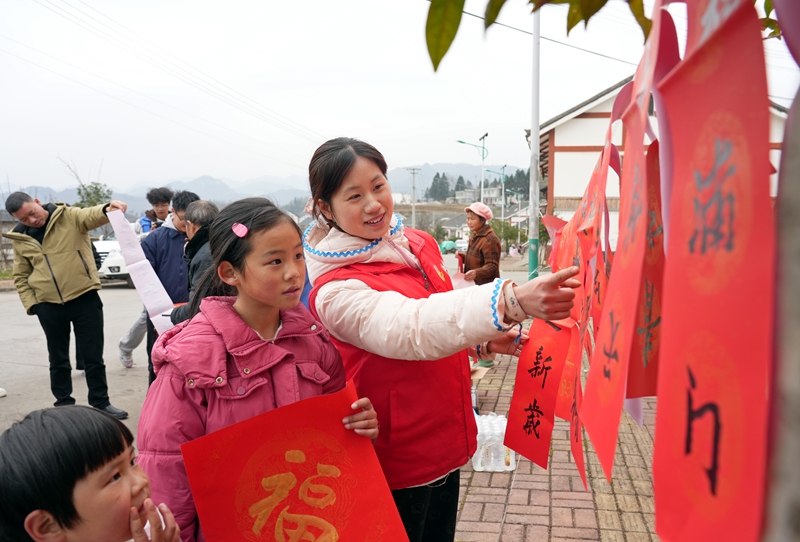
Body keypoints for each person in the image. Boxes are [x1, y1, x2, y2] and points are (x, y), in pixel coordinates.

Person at [303, 137, 580, 541]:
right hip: (398, 453)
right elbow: (411, 328)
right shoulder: (334, 290)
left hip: (448, 432)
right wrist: (511, 301)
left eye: (378, 186)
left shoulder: (417, 242)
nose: (374, 204)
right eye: (355, 196)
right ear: (325, 209)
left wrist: (481, 343)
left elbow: (444, 312)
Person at [136, 198, 379, 542]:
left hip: (308, 523)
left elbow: (335, 437)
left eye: (297, 255)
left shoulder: (314, 340)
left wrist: (358, 423)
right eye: (275, 261)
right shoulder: (191, 361)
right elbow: (165, 470)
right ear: (229, 272)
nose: (294, 272)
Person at [3, 192, 129, 420]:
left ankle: (101, 403)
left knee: (93, 356)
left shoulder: (69, 217)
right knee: (58, 359)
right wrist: (33, 305)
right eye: (23, 219)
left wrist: (107, 209)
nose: (31, 220)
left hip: (84, 298)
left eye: (31, 213)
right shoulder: (20, 238)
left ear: (38, 203)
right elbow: (21, 275)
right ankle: (64, 406)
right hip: (48, 306)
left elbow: (91, 215)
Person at [0, 405, 180, 542]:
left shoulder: (152, 532)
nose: (141, 481)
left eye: (132, 461)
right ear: (49, 526)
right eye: (114, 477)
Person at [140, 190, 200, 385]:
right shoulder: (154, 240)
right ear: (173, 211)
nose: (189, 224)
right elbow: (145, 280)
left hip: (196, 312)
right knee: (158, 361)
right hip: (162, 313)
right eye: (184, 218)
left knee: (194, 362)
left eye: (193, 219)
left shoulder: (203, 241)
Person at [120, 187, 175, 368]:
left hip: (169, 274)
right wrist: (149, 235)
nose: (161, 208)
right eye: (157, 205)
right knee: (148, 317)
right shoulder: (141, 223)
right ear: (152, 205)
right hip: (148, 276)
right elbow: (129, 246)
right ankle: (126, 345)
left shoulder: (174, 221)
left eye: (164, 205)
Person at [170, 200, 219, 325]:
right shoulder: (220, 244)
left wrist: (173, 314)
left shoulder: (205, 256)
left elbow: (197, 306)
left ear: (191, 226)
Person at [457, 202, 501, 285]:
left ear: (482, 220)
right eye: (468, 218)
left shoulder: (490, 240)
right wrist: (462, 257)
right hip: (473, 285)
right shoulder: (474, 236)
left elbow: (492, 266)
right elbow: (477, 260)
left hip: (485, 287)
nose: (469, 222)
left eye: (472, 219)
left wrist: (476, 273)